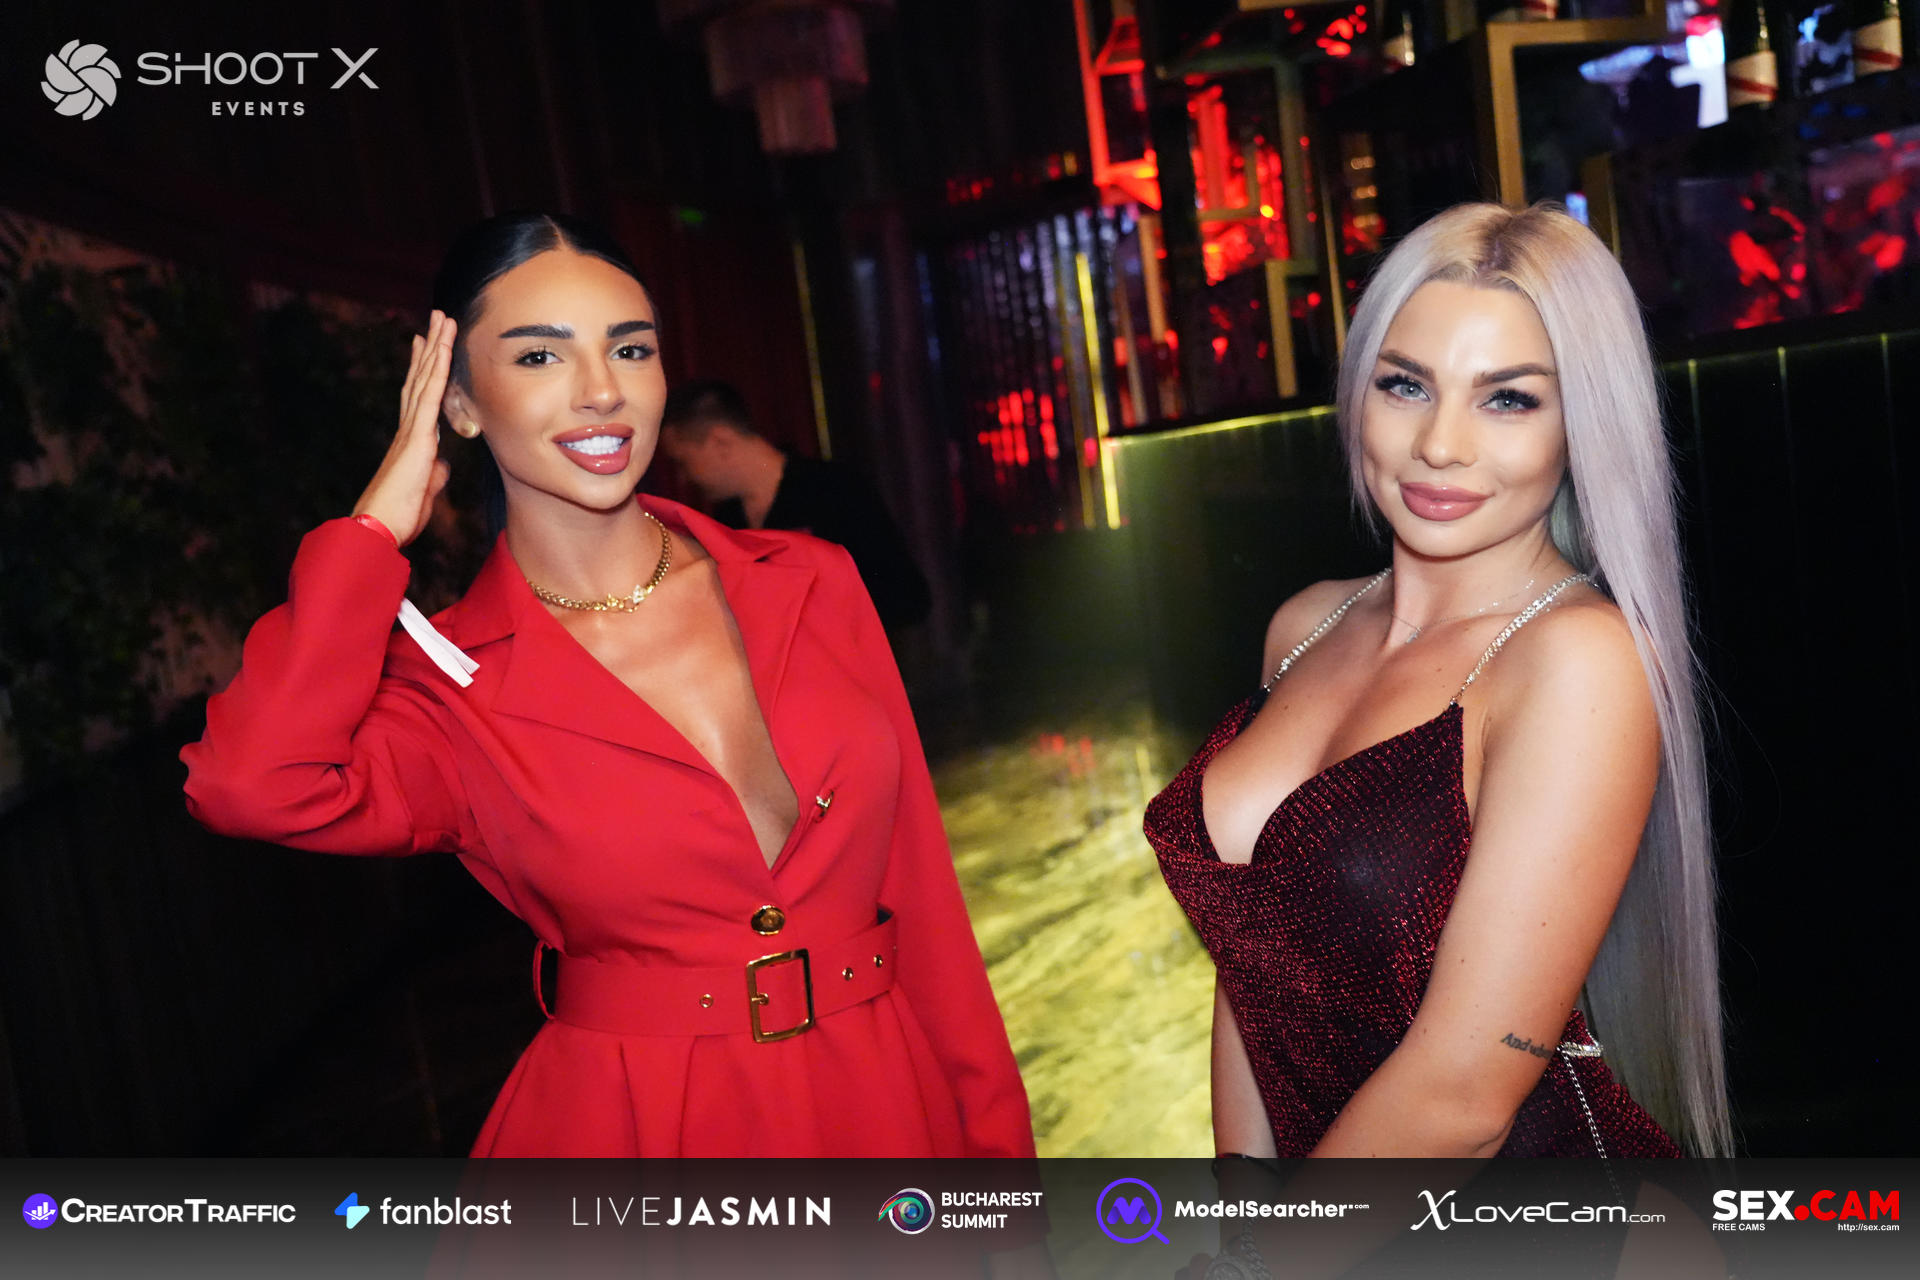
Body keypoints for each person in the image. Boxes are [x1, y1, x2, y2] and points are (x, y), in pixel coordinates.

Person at [179, 212, 1034, 1158]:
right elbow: (250, 785)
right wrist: (371, 533)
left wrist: (1001, 1183)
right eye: (539, 357)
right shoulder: (451, 689)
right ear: (458, 404)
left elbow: (925, 903)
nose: (601, 391)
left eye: (630, 349)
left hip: (884, 1111)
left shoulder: (808, 580)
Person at [1146, 202, 1731, 1166]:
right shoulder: (1305, 624)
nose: (1440, 445)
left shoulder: (1576, 661)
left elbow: (1465, 1098)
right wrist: (1241, 1213)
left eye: (1509, 399)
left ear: (1582, 426)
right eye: (1406, 385)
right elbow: (1250, 965)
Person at [658, 380, 933, 629]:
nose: (683, 478)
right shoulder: (726, 519)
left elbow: (907, 598)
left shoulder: (834, 489)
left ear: (721, 441)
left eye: (682, 462)